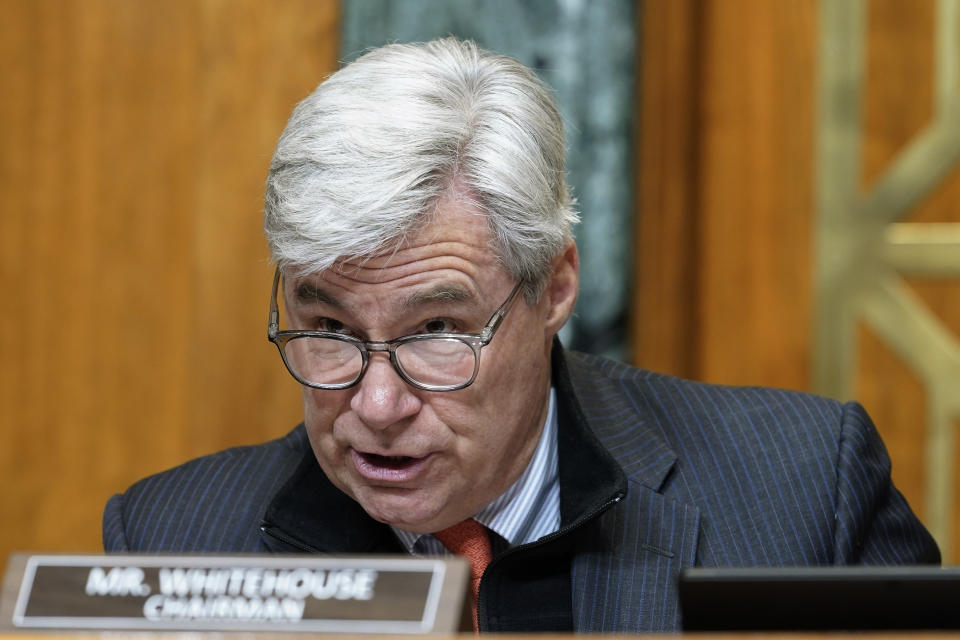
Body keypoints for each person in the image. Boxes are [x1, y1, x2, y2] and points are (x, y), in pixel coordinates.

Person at [103, 37, 939, 633]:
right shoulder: (173, 538)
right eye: (328, 328)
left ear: (555, 287)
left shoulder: (801, 492)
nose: (378, 403)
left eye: (436, 328)